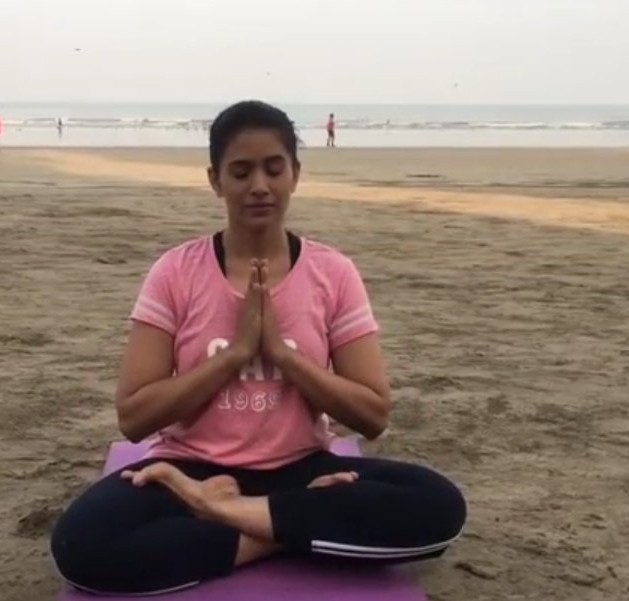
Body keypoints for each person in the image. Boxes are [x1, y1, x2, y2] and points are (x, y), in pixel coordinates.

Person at [50, 100, 466, 596]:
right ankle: (283, 530)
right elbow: (135, 416)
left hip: (302, 470)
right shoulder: (175, 272)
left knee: (438, 505)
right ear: (215, 179)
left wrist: (284, 356)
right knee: (81, 546)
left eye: (274, 168)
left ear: (295, 174)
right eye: (241, 172)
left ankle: (238, 521)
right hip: (191, 471)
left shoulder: (332, 273)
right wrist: (235, 354)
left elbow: (373, 415)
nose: (260, 186)